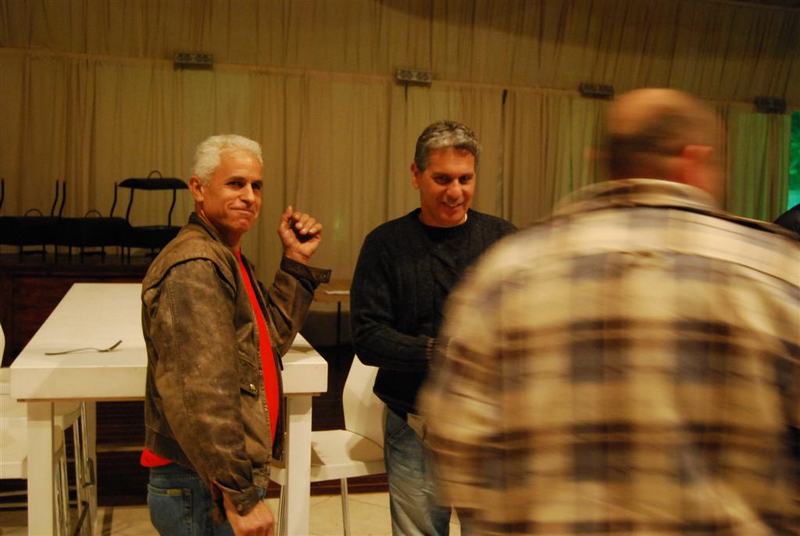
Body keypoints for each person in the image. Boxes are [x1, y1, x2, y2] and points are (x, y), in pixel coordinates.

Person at [420, 89, 800, 534]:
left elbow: (455, 437)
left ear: (603, 162)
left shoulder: (507, 273)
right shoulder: (776, 273)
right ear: (694, 160)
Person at [141, 134, 330, 536]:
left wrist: (296, 261)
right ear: (198, 188)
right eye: (235, 183)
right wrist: (239, 495)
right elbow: (201, 390)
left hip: (211, 478)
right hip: (203, 483)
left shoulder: (224, 256)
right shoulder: (195, 263)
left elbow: (266, 344)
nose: (249, 196)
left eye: (256, 186)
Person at [351, 120, 517, 534]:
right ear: (415, 175)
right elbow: (368, 337)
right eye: (442, 179)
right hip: (414, 420)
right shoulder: (386, 244)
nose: (455, 192)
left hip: (491, 422)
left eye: (465, 179)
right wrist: (441, 351)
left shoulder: (503, 239)